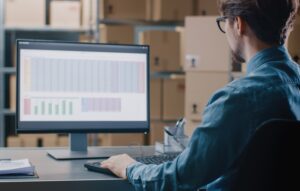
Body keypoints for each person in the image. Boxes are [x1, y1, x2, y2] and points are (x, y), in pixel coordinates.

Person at [101, 0, 300, 190]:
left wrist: (129, 167)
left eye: (224, 23)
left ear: (238, 24)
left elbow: (178, 180)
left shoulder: (238, 99)